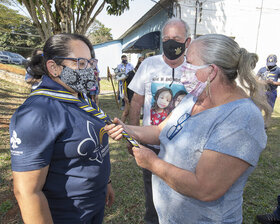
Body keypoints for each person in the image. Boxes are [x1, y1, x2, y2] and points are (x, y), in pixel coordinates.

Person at [105, 33, 272, 223]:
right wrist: (128, 129)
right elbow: (162, 131)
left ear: (212, 71)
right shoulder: (195, 97)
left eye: (189, 63)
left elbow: (205, 188)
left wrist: (152, 163)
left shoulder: (241, 118)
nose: (183, 67)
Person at [9, 33, 114, 224]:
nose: (89, 70)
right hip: (65, 215)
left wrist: (104, 182)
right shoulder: (37, 113)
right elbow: (26, 191)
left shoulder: (80, 98)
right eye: (80, 63)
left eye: (91, 63)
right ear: (54, 67)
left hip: (94, 206)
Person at [127, 18, 191, 224]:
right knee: (152, 195)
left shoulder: (195, 68)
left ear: (187, 42)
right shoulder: (148, 64)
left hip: (184, 146)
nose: (171, 43)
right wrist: (132, 135)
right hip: (151, 144)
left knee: (183, 194)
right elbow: (135, 101)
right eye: (166, 39)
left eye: (176, 39)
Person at [121, 56, 144, 122]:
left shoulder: (142, 74)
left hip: (138, 96)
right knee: (126, 112)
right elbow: (124, 83)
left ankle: (134, 129)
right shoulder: (130, 73)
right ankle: (119, 126)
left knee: (136, 114)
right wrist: (125, 96)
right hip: (129, 96)